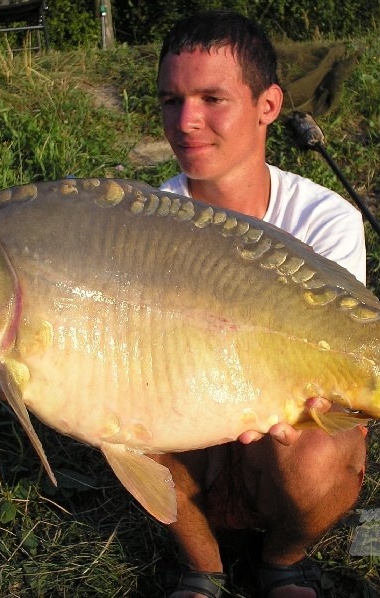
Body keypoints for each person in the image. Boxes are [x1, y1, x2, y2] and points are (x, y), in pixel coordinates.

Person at [153, 10, 368, 598]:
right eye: (171, 101)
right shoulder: (146, 221)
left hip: (277, 430)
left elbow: (334, 353)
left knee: (326, 442)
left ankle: (284, 562)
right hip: (187, 427)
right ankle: (202, 571)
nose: (187, 121)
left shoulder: (324, 219)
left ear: (268, 105)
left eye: (211, 98)